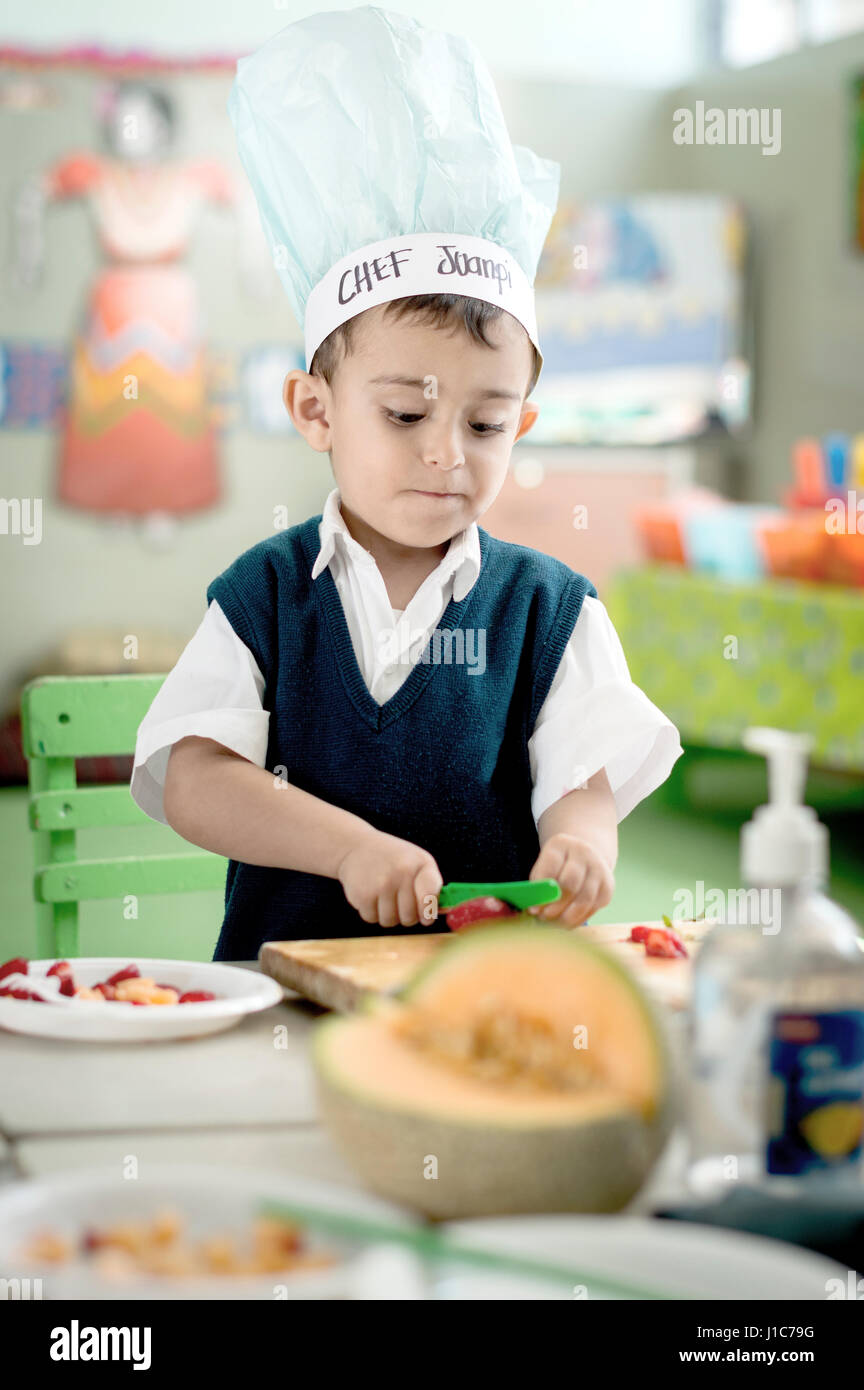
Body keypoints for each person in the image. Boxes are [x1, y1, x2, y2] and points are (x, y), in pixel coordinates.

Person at [131, 6, 682, 961]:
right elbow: (198, 778)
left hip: (476, 1004)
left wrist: (582, 848)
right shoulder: (265, 596)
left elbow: (581, 783)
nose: (447, 455)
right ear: (316, 411)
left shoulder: (549, 612)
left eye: (486, 423)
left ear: (525, 424)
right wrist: (348, 850)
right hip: (289, 1000)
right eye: (404, 416)